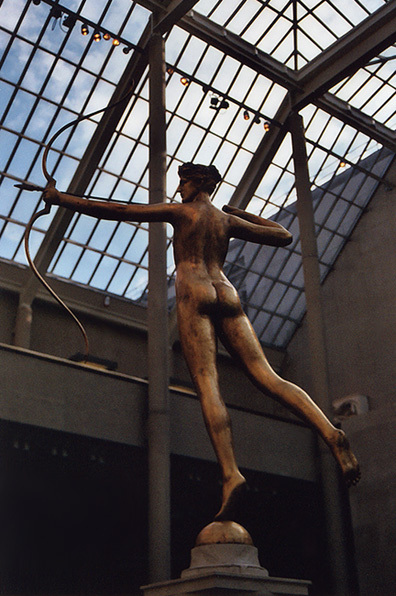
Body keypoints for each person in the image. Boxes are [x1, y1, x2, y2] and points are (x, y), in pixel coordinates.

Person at [43, 162, 360, 521]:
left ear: (197, 184)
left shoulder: (182, 212)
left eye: (183, 183)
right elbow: (283, 235)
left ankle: (230, 473)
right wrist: (241, 212)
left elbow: (120, 210)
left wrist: (62, 199)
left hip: (194, 289)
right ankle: (330, 432)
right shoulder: (226, 221)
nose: (179, 190)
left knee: (208, 384)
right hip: (226, 292)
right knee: (269, 377)